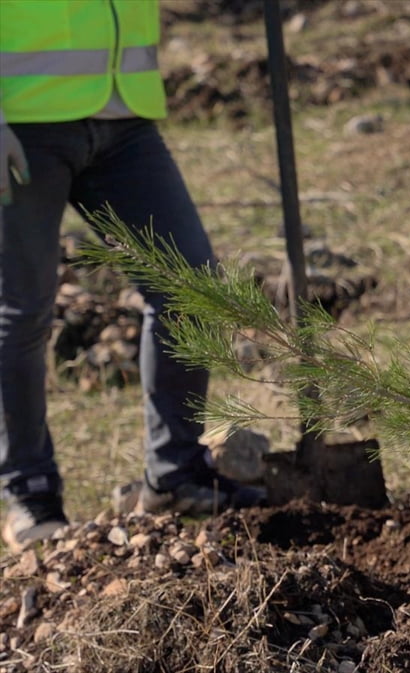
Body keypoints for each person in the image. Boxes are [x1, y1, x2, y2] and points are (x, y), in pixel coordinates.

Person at [0, 0, 264, 552]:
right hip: (21, 120)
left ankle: (175, 475)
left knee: (191, 288)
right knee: (23, 310)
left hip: (124, 118)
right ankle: (30, 494)